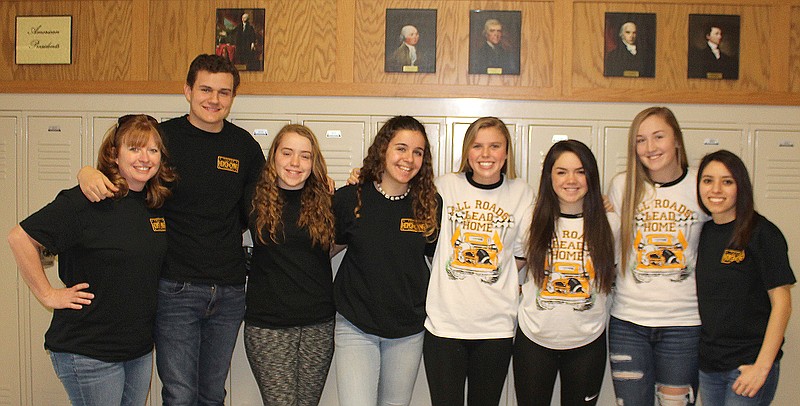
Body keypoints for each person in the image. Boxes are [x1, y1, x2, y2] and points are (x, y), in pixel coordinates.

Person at [78, 54, 266, 405]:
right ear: (187, 90)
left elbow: (265, 206)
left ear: (233, 97)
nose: (214, 99)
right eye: (206, 89)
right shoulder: (164, 138)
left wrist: (324, 183)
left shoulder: (244, 147)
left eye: (224, 92)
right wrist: (87, 172)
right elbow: (125, 172)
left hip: (228, 289)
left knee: (212, 393)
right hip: (175, 287)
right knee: (179, 394)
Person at [8, 114, 175, 406]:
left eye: (153, 150)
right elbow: (20, 238)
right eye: (134, 148)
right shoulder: (88, 200)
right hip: (89, 350)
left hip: (137, 350)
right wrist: (48, 295)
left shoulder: (154, 203)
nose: (144, 158)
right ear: (115, 153)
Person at [424, 117, 534, 405]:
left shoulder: (521, 192)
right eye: (478, 146)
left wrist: (494, 274)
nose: (486, 155)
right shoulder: (445, 186)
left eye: (494, 146)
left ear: (506, 152)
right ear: (467, 152)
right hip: (445, 326)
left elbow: (521, 255)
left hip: (495, 328)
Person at [332, 115, 441, 406]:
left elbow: (439, 263)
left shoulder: (429, 204)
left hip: (407, 330)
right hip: (356, 325)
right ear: (383, 149)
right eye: (401, 148)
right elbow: (324, 250)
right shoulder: (349, 199)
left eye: (418, 152)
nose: (409, 159)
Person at [606, 106, 710, 405]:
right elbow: (611, 247)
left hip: (684, 324)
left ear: (676, 139)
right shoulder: (622, 186)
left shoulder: (700, 185)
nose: (650, 148)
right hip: (628, 323)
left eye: (658, 137)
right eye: (640, 140)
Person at [514, 140, 618, 406]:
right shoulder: (530, 219)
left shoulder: (611, 224)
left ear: (591, 176)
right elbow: (512, 267)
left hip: (587, 342)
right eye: (561, 172)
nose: (571, 180)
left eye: (580, 171)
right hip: (534, 340)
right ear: (549, 176)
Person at [243, 124, 336, 405]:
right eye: (287, 153)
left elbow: (340, 242)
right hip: (268, 326)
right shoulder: (251, 197)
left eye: (305, 156)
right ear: (273, 157)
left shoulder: (328, 201)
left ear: (314, 162)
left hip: (317, 325)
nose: (295, 163)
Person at [695, 150, 795, 405]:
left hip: (747, 367)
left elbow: (782, 304)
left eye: (727, 181)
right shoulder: (704, 232)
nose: (716, 189)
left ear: (741, 186)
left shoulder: (763, 233)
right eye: (708, 180)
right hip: (709, 366)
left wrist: (762, 367)